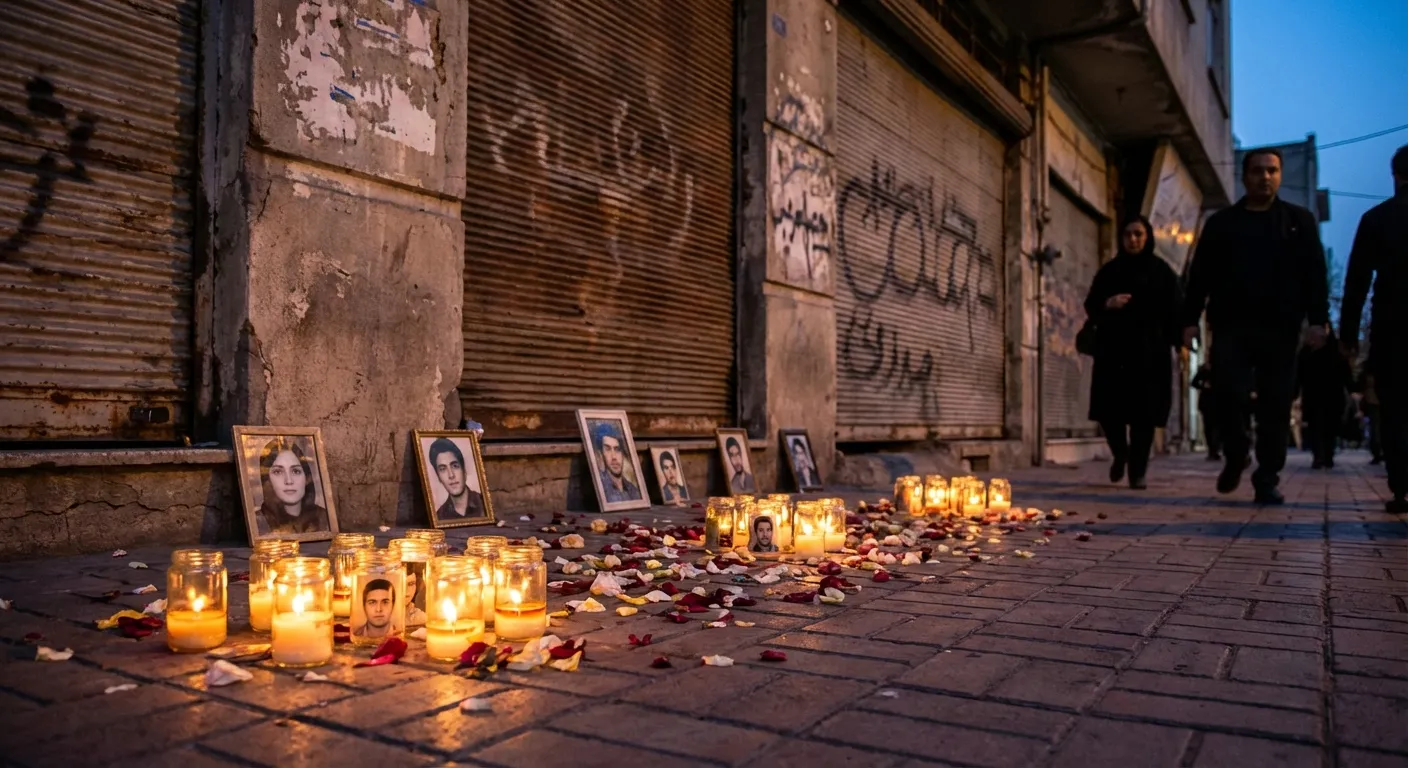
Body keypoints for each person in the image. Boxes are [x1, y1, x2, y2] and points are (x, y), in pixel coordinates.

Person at [1182, 148, 1330, 505]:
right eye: (1258, 171)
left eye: (1273, 171)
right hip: (1232, 327)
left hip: (1281, 330)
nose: (1265, 177)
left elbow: (1315, 274)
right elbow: (1199, 276)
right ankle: (1236, 454)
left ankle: (1267, 476)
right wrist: (1189, 320)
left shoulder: (1299, 222)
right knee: (1228, 396)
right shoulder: (1222, 224)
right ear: (1244, 176)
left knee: (1275, 406)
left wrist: (1318, 320)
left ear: (1280, 176)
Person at [1083, 215, 1184, 489]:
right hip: (1113, 353)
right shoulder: (1110, 272)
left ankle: (1137, 471)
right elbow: (1090, 305)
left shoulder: (1162, 272)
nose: (1133, 239)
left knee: (1144, 417)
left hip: (1150, 355)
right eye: (1128, 234)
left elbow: (1177, 312)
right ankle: (1121, 453)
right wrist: (1108, 303)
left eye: (1139, 234)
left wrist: (1180, 341)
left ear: (1148, 237)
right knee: (1109, 412)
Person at [1340, 144, 1408, 514]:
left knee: (1396, 411)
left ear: (1395, 176)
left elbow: (1356, 282)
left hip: (1393, 329)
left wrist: (1348, 334)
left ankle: (1401, 488)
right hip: (1391, 327)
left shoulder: (1378, 218)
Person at [1296, 329, 1352, 469]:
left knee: (1326, 429)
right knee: (1320, 428)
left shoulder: (1312, 355)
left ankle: (1324, 455)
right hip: (1319, 398)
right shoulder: (1308, 354)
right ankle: (1322, 456)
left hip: (1327, 398)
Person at [256, 437, 330, 534]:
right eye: (278, 472)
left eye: (296, 471)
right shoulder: (260, 521)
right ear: (268, 479)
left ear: (307, 477)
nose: (289, 481)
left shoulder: (323, 518)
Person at [428, 438, 484, 520]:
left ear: (464, 471)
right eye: (443, 469)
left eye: (455, 466)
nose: (451, 475)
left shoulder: (484, 504)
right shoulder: (439, 517)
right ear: (439, 477)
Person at [593, 423, 642, 503]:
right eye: (608, 449)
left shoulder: (633, 490)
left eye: (617, 449)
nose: (614, 457)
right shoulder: (601, 489)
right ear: (601, 455)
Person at [1191, 364, 1221, 460]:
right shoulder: (1204, 370)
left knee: (1217, 428)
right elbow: (1194, 382)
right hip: (1207, 404)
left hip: (1218, 403)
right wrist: (1203, 385)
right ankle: (1212, 450)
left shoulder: (1221, 368)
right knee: (1208, 428)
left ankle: (1215, 450)